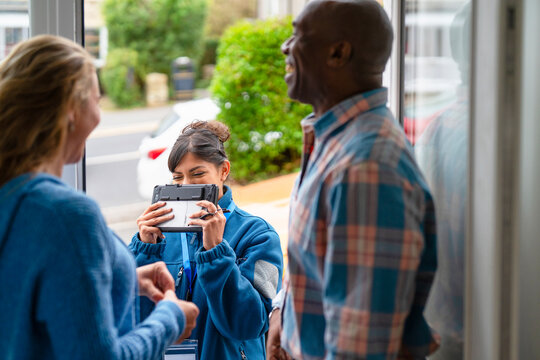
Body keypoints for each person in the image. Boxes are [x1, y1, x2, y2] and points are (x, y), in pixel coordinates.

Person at [0, 35, 199, 360]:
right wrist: (171, 319)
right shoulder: (65, 215)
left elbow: (26, 294)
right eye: (96, 97)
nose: (101, 111)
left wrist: (120, 280)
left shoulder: (12, 196)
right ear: (70, 110)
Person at [267, 1, 439, 359]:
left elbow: (359, 348)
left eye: (298, 35)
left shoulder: (366, 167)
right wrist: (283, 313)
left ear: (338, 53)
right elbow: (316, 262)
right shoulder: (337, 143)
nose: (285, 46)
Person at [129, 120, 283, 360]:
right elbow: (131, 320)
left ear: (223, 170)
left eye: (198, 173)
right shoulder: (159, 235)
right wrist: (144, 250)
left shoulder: (259, 235)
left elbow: (251, 324)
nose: (187, 185)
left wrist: (216, 252)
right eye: (178, 178)